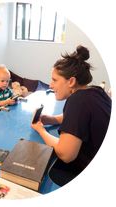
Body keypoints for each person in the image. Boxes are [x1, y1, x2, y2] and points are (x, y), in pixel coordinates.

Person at [31, 45, 112, 186]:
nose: (50, 85)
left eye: (55, 80)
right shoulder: (95, 91)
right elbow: (78, 118)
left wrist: (40, 130)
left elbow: (66, 154)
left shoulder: (78, 101)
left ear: (71, 81)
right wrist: (51, 119)